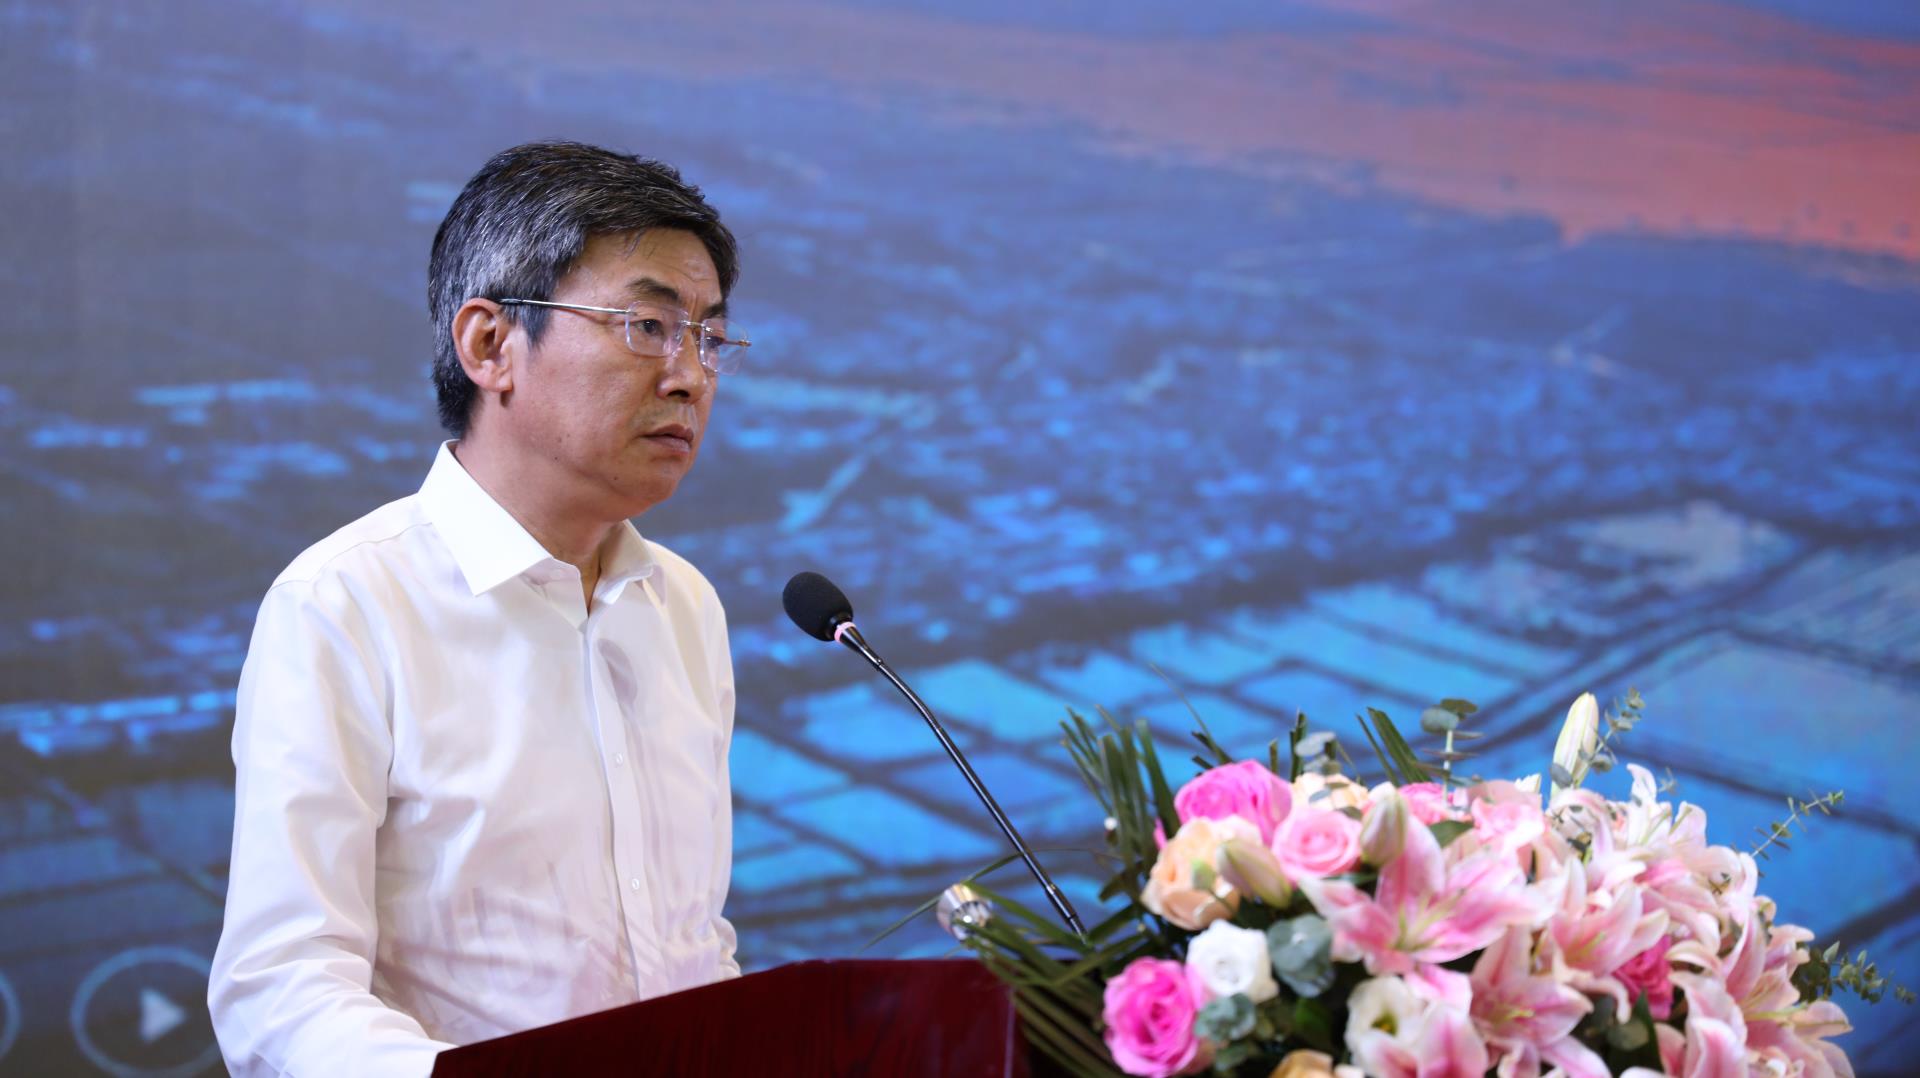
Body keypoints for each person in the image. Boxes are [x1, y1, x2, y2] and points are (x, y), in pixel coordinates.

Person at [208, 140, 748, 1076]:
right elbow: (280, 985)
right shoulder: (346, 605)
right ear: (490, 345)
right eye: (647, 326)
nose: (689, 376)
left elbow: (692, 946)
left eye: (708, 338)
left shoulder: (683, 606)